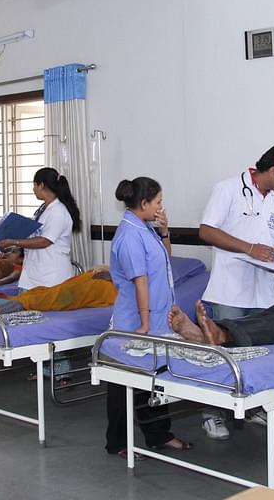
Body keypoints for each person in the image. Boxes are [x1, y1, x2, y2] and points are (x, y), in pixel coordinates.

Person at [198, 144, 274, 438]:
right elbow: (206, 230)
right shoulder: (228, 189)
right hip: (230, 289)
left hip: (262, 288)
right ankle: (212, 414)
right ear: (273, 171)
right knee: (224, 353)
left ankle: (255, 406)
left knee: (258, 352)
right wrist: (249, 248)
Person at [105, 177, 191, 460]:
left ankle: (158, 435)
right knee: (123, 383)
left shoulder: (145, 228)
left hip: (155, 318)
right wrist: (143, 323)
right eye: (158, 202)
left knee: (155, 377)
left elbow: (165, 261)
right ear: (143, 203)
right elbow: (140, 283)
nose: (160, 207)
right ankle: (117, 442)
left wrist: (165, 232)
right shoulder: (129, 235)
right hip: (135, 320)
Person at [0, 167, 81, 290]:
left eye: (34, 185)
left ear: (42, 185)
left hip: (51, 277)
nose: (33, 189)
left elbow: (45, 241)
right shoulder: (44, 209)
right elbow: (35, 234)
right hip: (36, 273)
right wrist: (12, 241)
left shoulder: (58, 211)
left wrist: (14, 241)